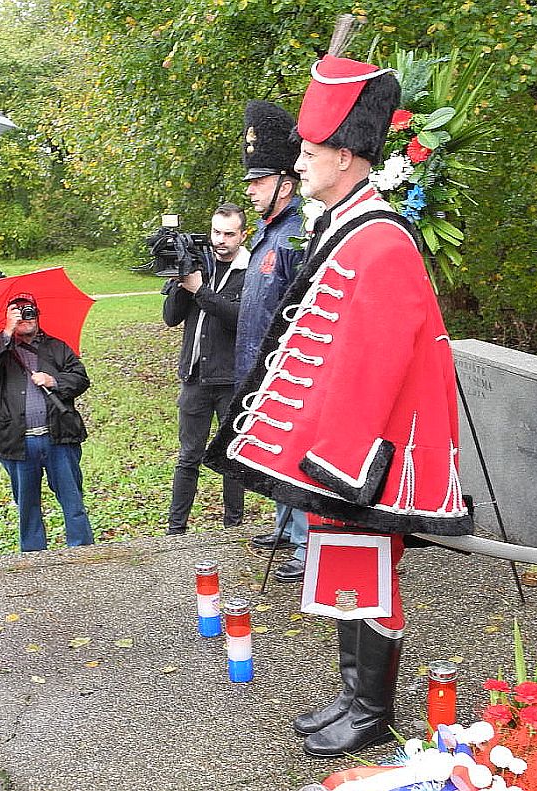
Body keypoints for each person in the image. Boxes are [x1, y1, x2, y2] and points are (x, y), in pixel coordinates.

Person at [207, 51, 473, 759]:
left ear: (346, 157)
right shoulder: (345, 223)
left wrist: (338, 463)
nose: (298, 161)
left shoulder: (380, 238)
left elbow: (373, 366)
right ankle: (355, 696)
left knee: (372, 574)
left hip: (365, 453)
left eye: (310, 150)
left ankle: (373, 710)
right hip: (339, 446)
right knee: (348, 568)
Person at [236, 100, 310, 583]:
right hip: (258, 367)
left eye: (259, 181)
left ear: (286, 183)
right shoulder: (271, 232)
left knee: (290, 448)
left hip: (284, 370)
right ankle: (286, 526)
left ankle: (306, 544)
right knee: (273, 450)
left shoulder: (297, 234)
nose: (250, 190)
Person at [0, 294, 94, 552]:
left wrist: (54, 381)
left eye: (29, 312)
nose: (25, 318)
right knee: (27, 506)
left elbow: (81, 378)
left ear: (38, 315)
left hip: (59, 437)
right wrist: (6, 333)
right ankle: (33, 557)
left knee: (72, 500)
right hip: (18, 442)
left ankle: (83, 551)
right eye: (17, 313)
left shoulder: (57, 347)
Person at [162, 203, 250, 535]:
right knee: (188, 456)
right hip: (194, 377)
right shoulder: (199, 265)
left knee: (231, 456)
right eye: (216, 232)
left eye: (229, 234)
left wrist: (200, 290)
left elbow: (239, 319)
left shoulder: (250, 270)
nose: (220, 240)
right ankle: (175, 530)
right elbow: (171, 317)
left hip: (230, 380)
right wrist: (181, 281)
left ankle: (233, 527)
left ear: (242, 235)